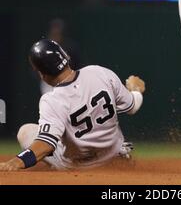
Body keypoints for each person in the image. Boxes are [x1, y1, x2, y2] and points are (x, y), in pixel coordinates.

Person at [0, 39, 145, 171]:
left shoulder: (52, 100)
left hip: (77, 166)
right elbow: (133, 106)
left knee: (25, 131)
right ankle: (120, 154)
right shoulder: (99, 72)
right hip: (112, 154)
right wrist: (136, 90)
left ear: (42, 75)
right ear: (66, 57)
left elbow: (46, 144)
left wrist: (17, 161)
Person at [40, 18, 82, 95]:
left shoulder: (70, 47)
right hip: (49, 80)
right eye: (54, 29)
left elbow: (78, 65)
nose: (56, 31)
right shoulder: (43, 47)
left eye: (58, 29)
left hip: (67, 79)